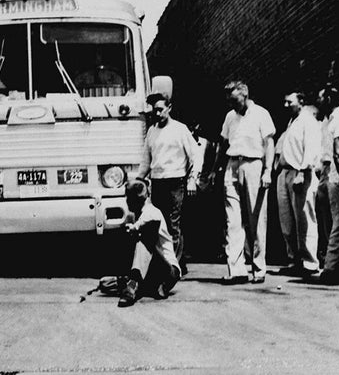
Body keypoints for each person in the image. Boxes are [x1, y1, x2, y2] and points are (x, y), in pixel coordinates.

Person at [211, 81, 275, 284]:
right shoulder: (230, 116)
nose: (232, 104)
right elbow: (223, 144)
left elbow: (269, 143)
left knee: (256, 218)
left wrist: (267, 171)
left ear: (245, 95)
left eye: (235, 100)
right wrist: (214, 170)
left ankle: (259, 268)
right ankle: (237, 269)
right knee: (233, 220)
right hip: (232, 165)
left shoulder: (261, 114)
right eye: (229, 100)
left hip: (253, 165)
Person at [137, 93, 202, 273]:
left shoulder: (180, 129)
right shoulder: (152, 131)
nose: (157, 113)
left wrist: (192, 179)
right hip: (157, 183)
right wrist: (139, 179)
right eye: (154, 110)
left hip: (176, 182)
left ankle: (172, 268)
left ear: (169, 108)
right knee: (159, 224)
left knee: (173, 225)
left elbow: (196, 156)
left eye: (160, 109)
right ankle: (166, 264)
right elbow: (146, 160)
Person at [276, 92, 322, 276]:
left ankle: (309, 262)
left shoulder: (308, 121)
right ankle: (294, 258)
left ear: (301, 102)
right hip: (285, 172)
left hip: (301, 173)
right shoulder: (292, 121)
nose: (286, 105)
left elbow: (311, 148)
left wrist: (303, 171)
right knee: (287, 220)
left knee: (304, 219)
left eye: (290, 102)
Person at [118, 179, 181, 307]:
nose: (127, 203)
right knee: (106, 283)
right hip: (151, 269)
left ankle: (133, 284)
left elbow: (150, 223)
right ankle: (138, 283)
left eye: (130, 199)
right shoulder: (138, 214)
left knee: (145, 239)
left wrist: (135, 227)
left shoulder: (152, 211)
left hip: (168, 270)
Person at [318, 87, 339, 284]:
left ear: (330, 98)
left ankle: (335, 266)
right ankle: (332, 268)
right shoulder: (337, 118)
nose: (318, 102)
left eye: (321, 98)